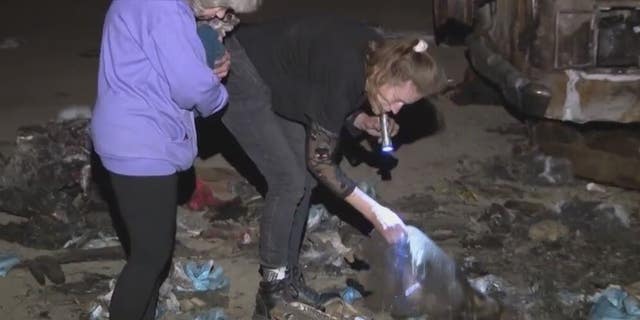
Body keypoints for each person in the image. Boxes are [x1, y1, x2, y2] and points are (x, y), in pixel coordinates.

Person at [219, 16, 443, 318]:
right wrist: (376, 212)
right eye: (397, 99)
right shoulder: (347, 69)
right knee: (288, 180)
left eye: (405, 106)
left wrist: (361, 120)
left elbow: (321, 94)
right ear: (386, 74)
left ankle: (289, 281)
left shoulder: (377, 55)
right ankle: (271, 293)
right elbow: (321, 160)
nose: (396, 110)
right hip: (244, 67)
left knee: (305, 183)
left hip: (287, 82)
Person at [90, 0, 260, 319]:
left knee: (150, 256)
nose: (224, 15)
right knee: (149, 258)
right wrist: (216, 90)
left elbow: (157, 63)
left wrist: (203, 66)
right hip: (141, 142)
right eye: (223, 5)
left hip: (128, 134)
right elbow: (190, 88)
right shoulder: (165, 8)